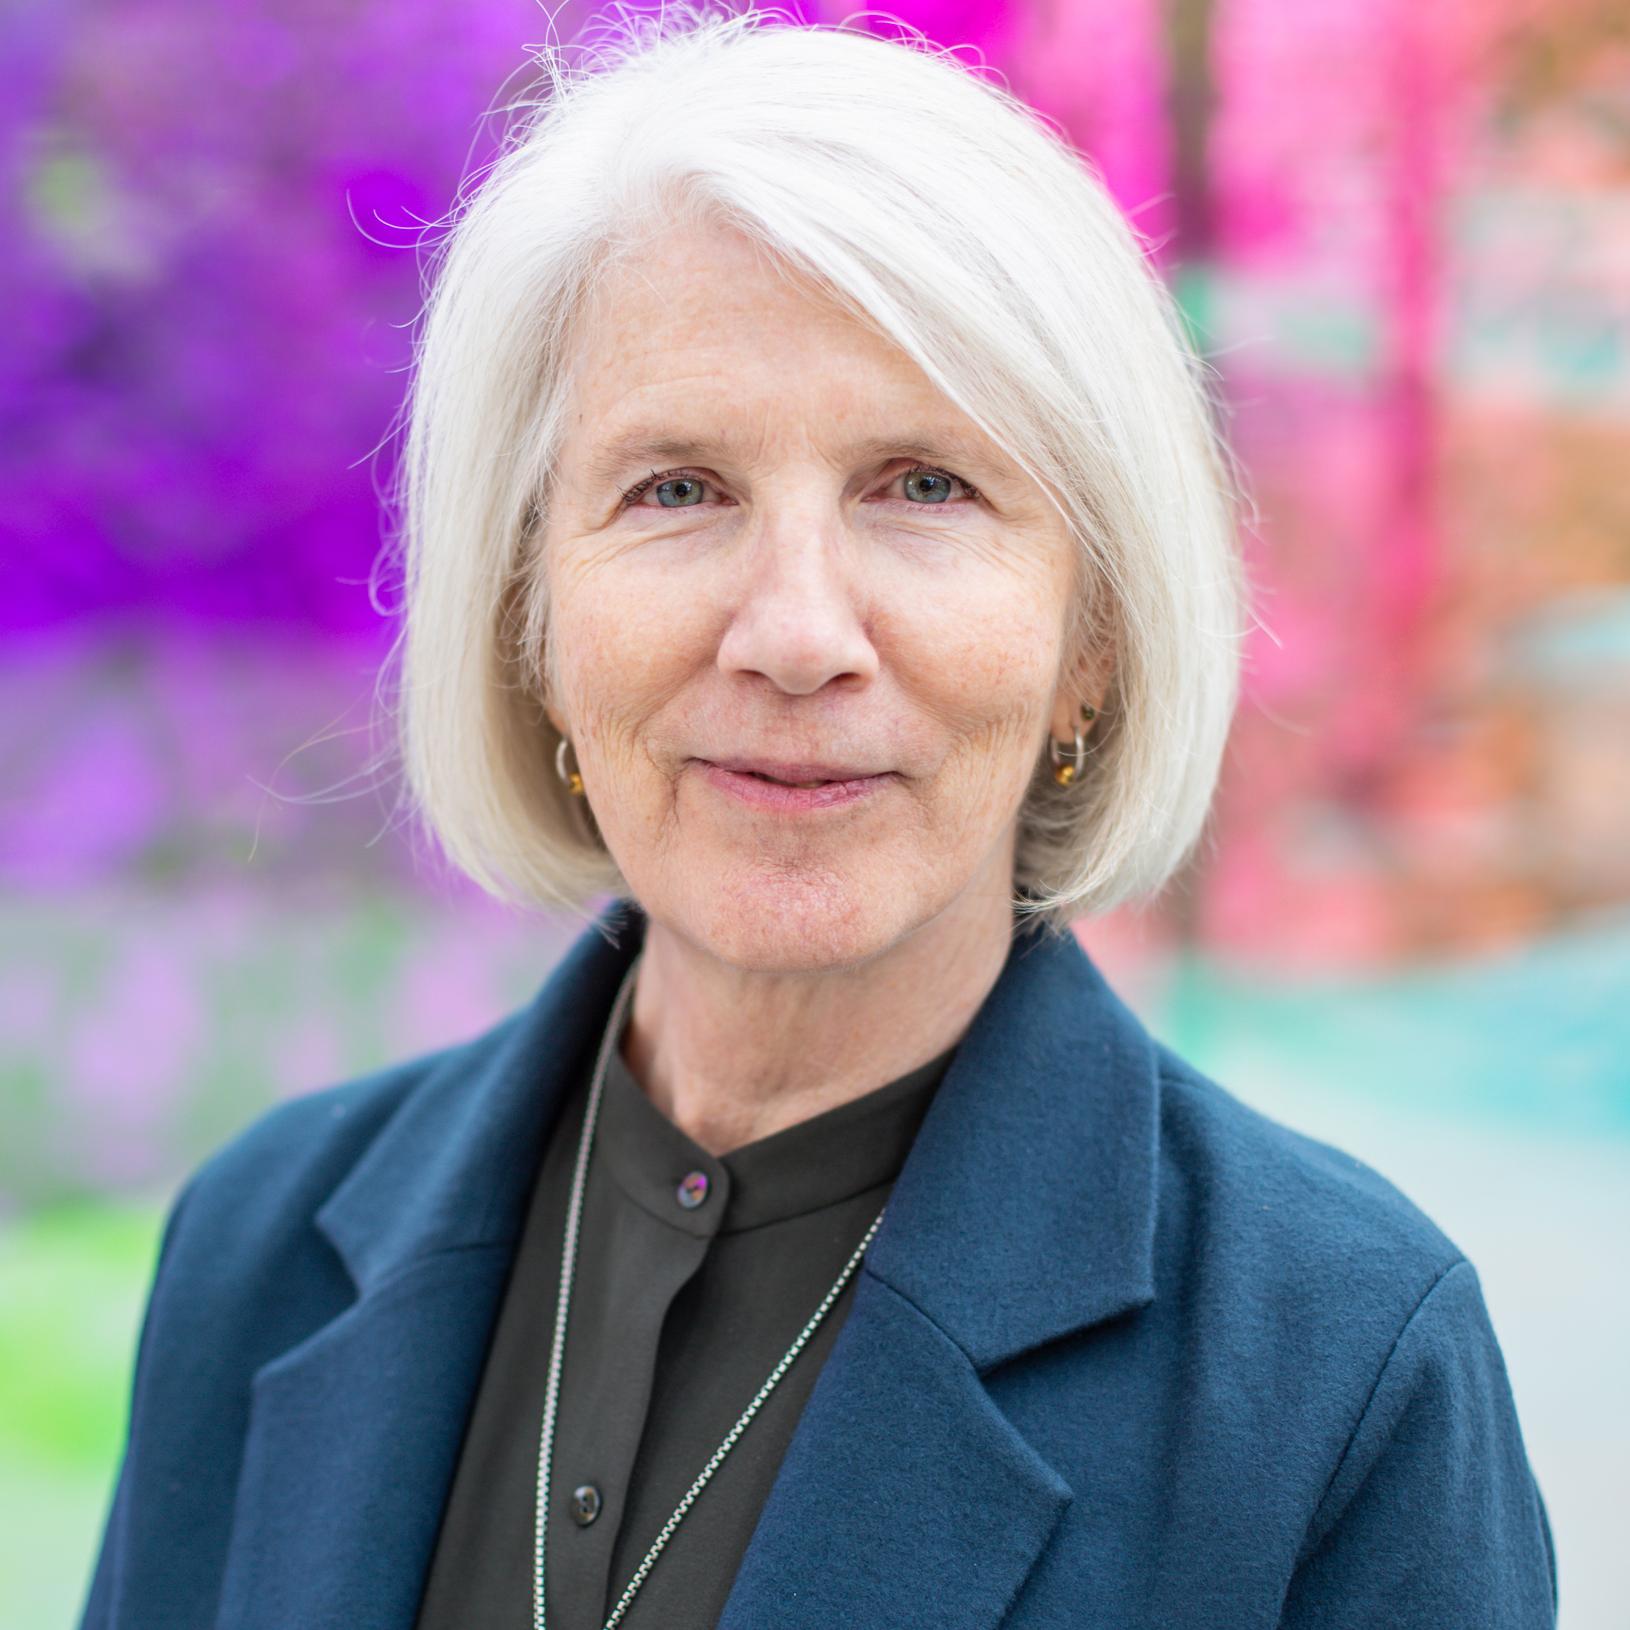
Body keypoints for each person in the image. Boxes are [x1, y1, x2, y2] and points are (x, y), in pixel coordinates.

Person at [79, 9, 1558, 1628]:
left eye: (922, 485)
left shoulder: (1338, 1367)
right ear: (529, 619)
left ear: (1090, 642)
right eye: (676, 487)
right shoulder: (260, 1248)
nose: (794, 633)